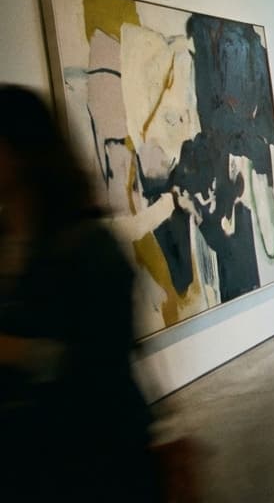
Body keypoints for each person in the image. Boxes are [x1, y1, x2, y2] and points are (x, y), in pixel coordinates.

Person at [0, 86, 159, 500]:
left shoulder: (88, 247)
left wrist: (18, 352)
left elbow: (104, 365)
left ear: (20, 151)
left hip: (92, 465)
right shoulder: (10, 243)